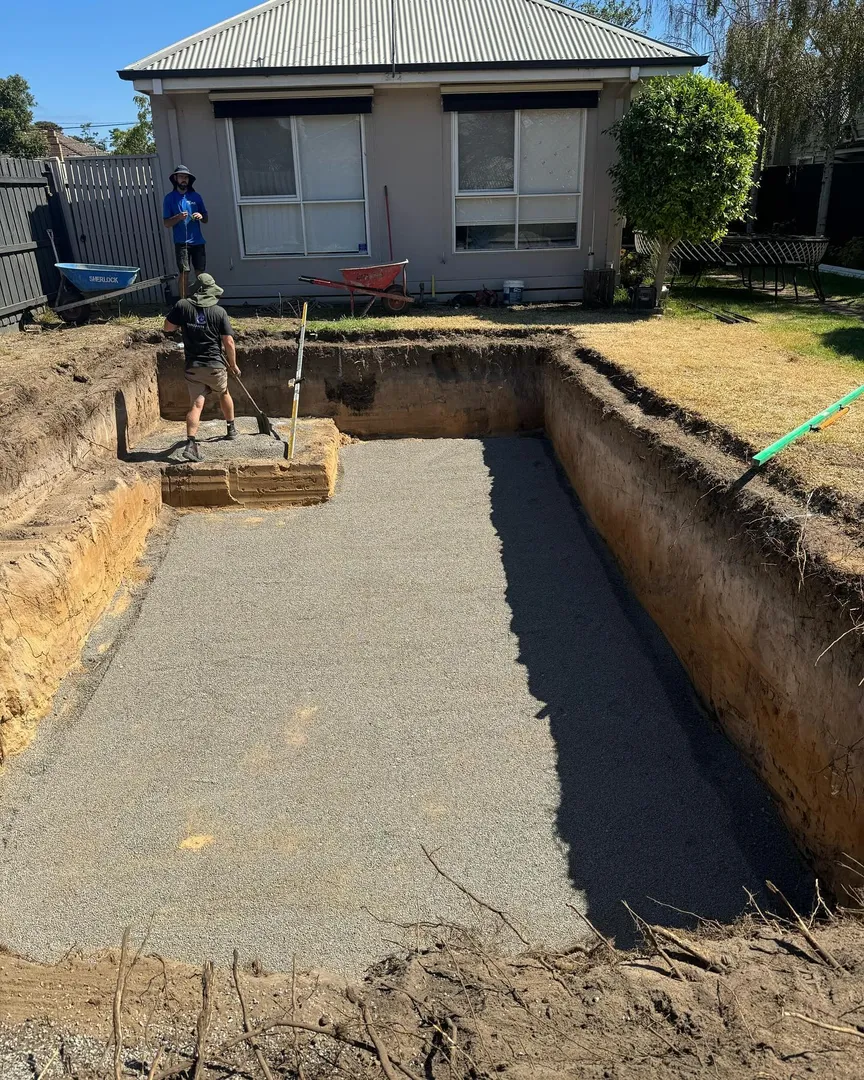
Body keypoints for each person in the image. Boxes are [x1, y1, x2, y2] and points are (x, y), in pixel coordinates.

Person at [163, 273, 239, 462]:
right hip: (215, 365)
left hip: (193, 366)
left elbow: (167, 328)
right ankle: (231, 428)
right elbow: (228, 341)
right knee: (224, 393)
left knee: (196, 404)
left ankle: (190, 443)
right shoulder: (219, 312)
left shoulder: (182, 306)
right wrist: (233, 364)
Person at [163, 165, 207, 299]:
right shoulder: (169, 198)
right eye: (181, 177)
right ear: (175, 178)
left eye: (186, 177)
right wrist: (178, 217)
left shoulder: (196, 196)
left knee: (201, 273)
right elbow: (166, 223)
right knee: (184, 272)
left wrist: (201, 215)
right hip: (182, 243)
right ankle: (184, 303)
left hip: (198, 241)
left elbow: (206, 219)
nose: (184, 180)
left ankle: (202, 301)